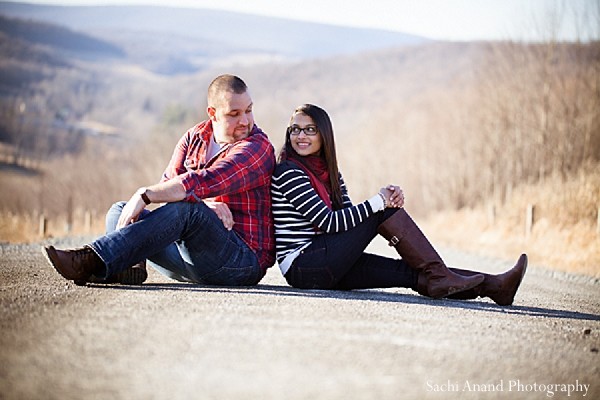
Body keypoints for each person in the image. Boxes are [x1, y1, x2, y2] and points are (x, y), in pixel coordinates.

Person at [270, 104, 527, 305]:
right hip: (304, 265)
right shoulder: (289, 172)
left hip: (327, 259)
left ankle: (496, 287)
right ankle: (439, 274)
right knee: (382, 211)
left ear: (324, 135)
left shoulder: (331, 173)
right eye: (295, 129)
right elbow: (328, 222)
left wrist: (382, 203)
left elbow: (346, 216)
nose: (300, 136)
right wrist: (381, 202)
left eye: (309, 129)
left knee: (411, 273)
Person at [44, 74, 275, 287]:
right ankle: (122, 268)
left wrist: (145, 194)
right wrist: (205, 206)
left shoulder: (257, 148)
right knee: (121, 211)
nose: (245, 120)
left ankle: (91, 258)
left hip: (240, 263)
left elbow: (206, 180)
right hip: (186, 260)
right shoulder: (194, 138)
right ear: (212, 113)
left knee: (188, 211)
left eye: (249, 110)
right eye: (234, 114)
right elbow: (169, 192)